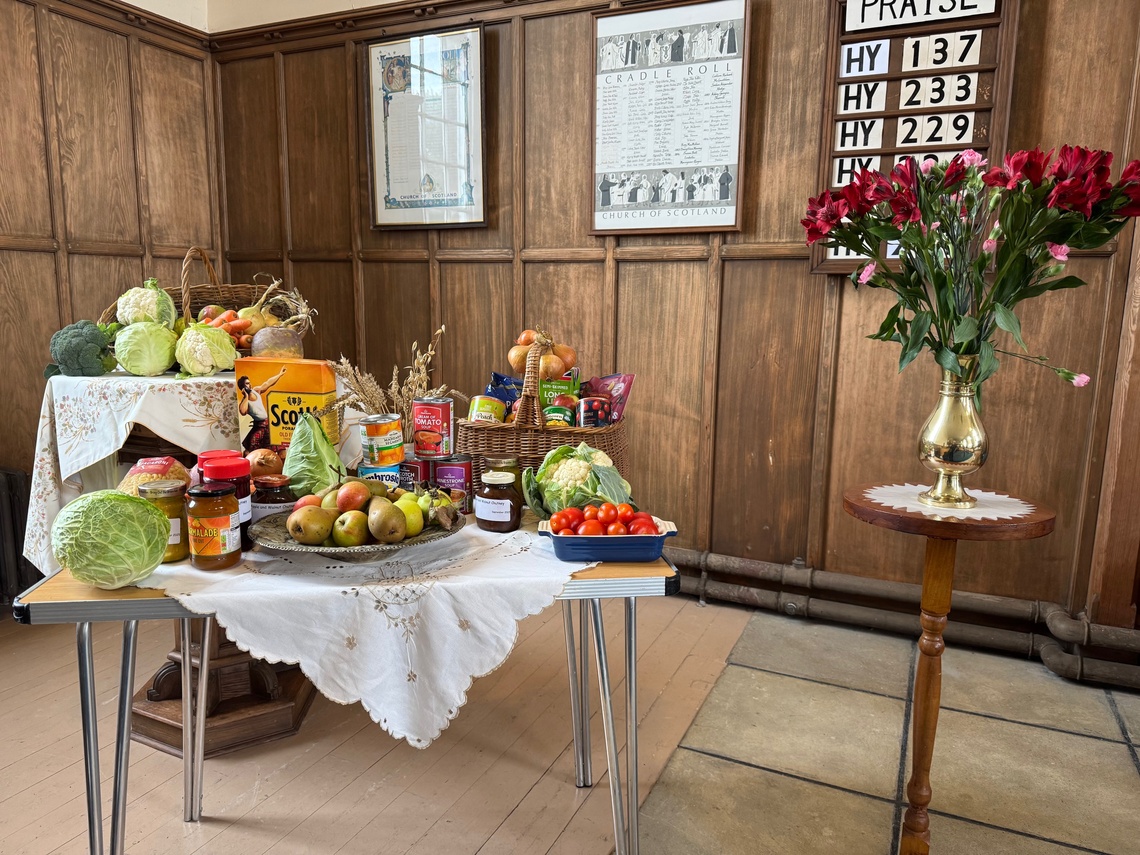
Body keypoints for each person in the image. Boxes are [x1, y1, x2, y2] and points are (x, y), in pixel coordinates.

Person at [239, 366, 287, 453]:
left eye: (249, 383)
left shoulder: (256, 391)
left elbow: (268, 383)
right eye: (246, 384)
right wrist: (246, 396)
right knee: (250, 449)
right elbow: (243, 411)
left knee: (280, 449)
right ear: (242, 387)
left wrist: (280, 374)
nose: (249, 385)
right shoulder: (244, 402)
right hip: (258, 426)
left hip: (268, 423)